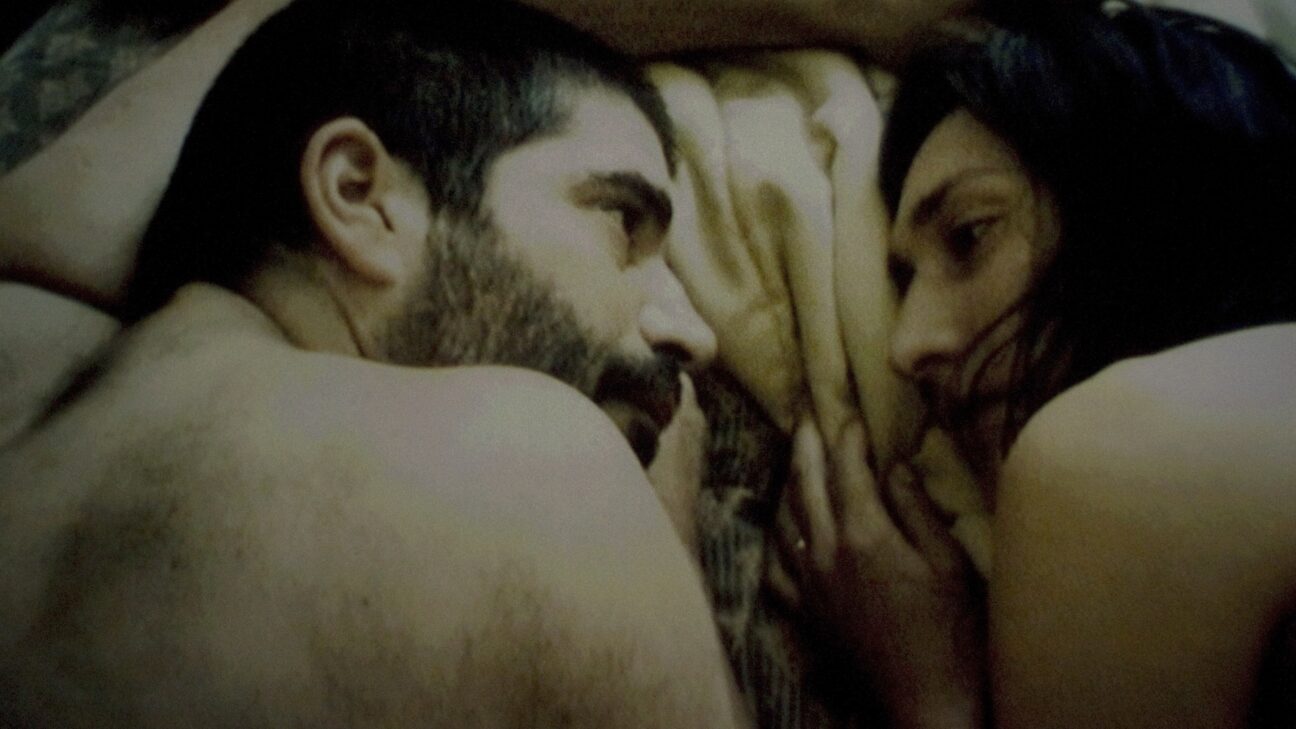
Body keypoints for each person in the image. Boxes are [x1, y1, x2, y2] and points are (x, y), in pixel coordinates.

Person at [0, 0, 751, 725]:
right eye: (621, 219)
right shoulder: (543, 471)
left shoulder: (28, 344)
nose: (695, 337)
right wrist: (669, 541)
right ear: (358, 194)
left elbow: (54, 212)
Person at [772, 3, 1296, 728]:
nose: (905, 347)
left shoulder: (1113, 453)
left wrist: (933, 699)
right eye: (905, 282)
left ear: (1154, 204)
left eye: (969, 235)